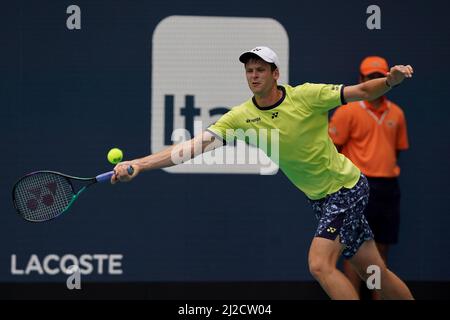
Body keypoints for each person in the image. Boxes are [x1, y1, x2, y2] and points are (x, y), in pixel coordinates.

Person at [112, 46, 414, 300]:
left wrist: (390, 81)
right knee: (373, 271)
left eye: (260, 70)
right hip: (321, 198)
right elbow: (190, 147)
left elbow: (360, 90)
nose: (254, 76)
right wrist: (139, 164)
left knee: (319, 265)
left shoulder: (307, 96)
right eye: (249, 71)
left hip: (345, 188)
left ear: (275, 74)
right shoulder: (241, 117)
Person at [329, 56, 410, 299]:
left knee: (380, 252)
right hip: (356, 188)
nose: (375, 81)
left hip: (387, 188)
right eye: (370, 77)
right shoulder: (348, 111)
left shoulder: (397, 113)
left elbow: (395, 151)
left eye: (380, 77)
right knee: (353, 252)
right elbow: (332, 150)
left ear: (388, 79)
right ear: (361, 80)